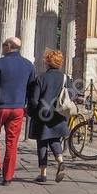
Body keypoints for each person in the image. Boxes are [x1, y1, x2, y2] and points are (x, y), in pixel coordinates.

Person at [0, 36, 35, 185]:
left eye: (4, 44)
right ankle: (8, 177)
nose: (2, 47)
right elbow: (31, 89)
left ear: (9, 46)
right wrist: (29, 105)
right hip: (17, 109)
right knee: (12, 142)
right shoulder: (28, 65)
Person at [28, 49, 77, 184]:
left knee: (42, 143)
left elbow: (34, 100)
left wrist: (31, 113)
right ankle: (60, 161)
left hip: (42, 115)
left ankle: (43, 173)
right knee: (55, 140)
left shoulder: (41, 78)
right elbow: (73, 95)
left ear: (47, 62)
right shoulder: (65, 78)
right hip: (59, 115)